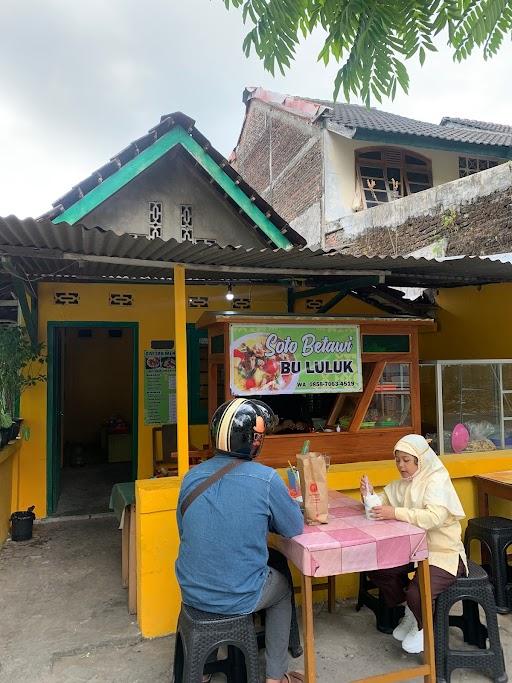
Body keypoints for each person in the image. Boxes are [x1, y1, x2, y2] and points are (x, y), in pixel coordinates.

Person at [176, 398, 305, 683]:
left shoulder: (190, 478)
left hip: (191, 591)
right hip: (239, 595)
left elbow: (185, 532)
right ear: (253, 441)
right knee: (283, 589)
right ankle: (275, 677)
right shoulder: (266, 479)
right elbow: (294, 527)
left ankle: (204, 667)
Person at [361, 434, 467, 655]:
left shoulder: (437, 480)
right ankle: (412, 611)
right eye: (397, 460)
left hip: (442, 553)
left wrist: (395, 513)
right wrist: (369, 496)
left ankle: (425, 628)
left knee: (417, 593)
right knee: (379, 569)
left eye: (406, 460)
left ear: (421, 459)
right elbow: (384, 502)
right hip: (411, 550)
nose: (401, 465)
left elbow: (433, 517)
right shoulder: (405, 483)